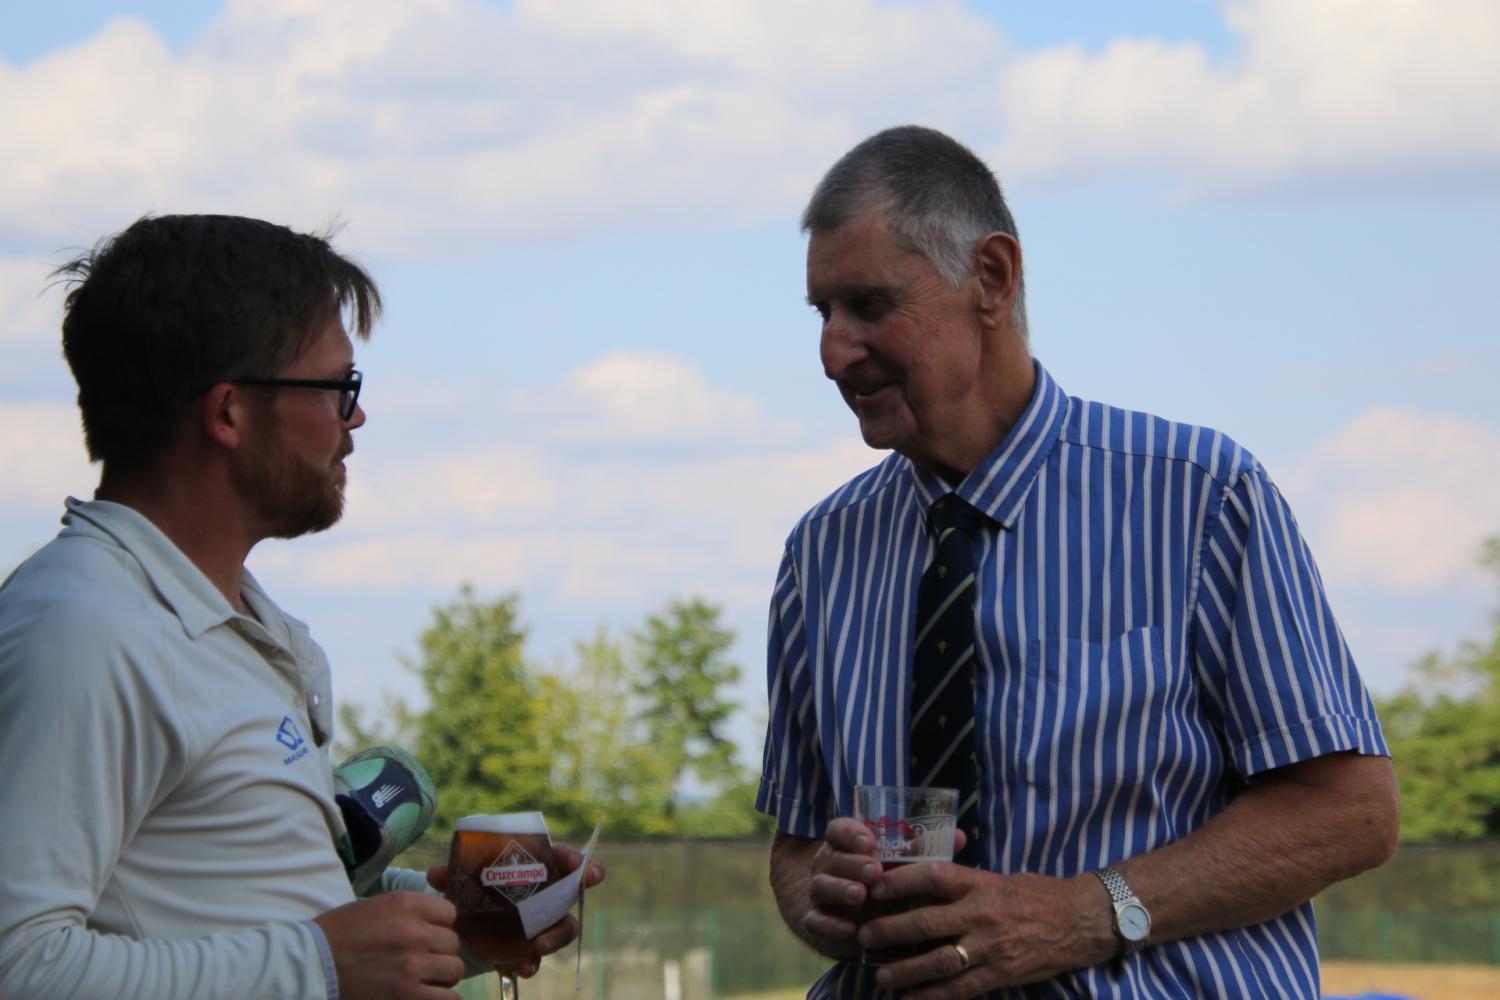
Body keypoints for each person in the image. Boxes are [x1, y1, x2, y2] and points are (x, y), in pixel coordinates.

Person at [757, 127, 1399, 998]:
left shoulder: (1200, 498)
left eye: (869, 306)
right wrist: (819, 897)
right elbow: (795, 845)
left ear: (991, 277)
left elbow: (1352, 811)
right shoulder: (821, 554)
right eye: (822, 313)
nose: (834, 352)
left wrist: (1088, 912)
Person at [0, 214, 601, 998]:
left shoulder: (226, 620)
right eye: (337, 387)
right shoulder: (84, 632)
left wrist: (450, 920)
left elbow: (238, 916)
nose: (354, 420)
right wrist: (319, 965)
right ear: (228, 414)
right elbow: (19, 966)